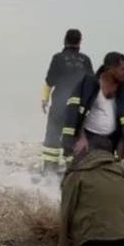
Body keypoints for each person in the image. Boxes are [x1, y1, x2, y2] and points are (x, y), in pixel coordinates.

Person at [61, 52, 124, 176]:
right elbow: (72, 112)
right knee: (79, 170)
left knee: (105, 172)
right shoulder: (88, 83)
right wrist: (80, 137)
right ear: (110, 69)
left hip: (111, 141)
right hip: (89, 137)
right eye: (122, 69)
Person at [40, 29, 94, 173]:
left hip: (59, 105)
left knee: (52, 135)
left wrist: (44, 100)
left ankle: (49, 171)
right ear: (80, 42)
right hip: (78, 109)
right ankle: (74, 169)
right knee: (74, 137)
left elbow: (49, 82)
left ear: (65, 40)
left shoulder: (58, 58)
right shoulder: (85, 60)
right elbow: (92, 85)